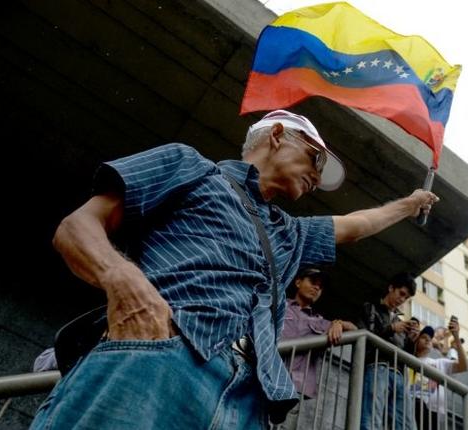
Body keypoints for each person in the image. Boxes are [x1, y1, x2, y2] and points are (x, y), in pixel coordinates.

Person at [34, 109, 439, 429]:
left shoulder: (290, 232)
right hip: (162, 358)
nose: (317, 176)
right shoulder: (192, 167)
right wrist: (124, 282)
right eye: (315, 158)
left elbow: (356, 225)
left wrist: (409, 203)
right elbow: (77, 227)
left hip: (251, 399)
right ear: (277, 136)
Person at [278, 267, 358, 430]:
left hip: (293, 391)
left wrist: (339, 323)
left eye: (320, 287)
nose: (316, 288)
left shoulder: (318, 321)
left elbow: (357, 332)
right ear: (298, 282)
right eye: (313, 282)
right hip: (266, 376)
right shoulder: (279, 305)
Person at [358, 273, 420, 430]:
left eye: (406, 298)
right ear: (391, 288)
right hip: (377, 367)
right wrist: (391, 329)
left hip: (399, 374)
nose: (402, 300)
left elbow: (407, 357)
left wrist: (412, 340)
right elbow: (365, 337)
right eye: (401, 294)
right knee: (372, 419)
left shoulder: (400, 321)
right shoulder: (370, 308)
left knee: (407, 425)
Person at [410, 319, 467, 429]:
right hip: (412, 407)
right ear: (415, 341)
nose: (427, 341)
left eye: (430, 339)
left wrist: (456, 337)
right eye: (423, 338)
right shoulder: (407, 359)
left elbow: (463, 366)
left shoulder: (438, 363)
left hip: (434, 412)